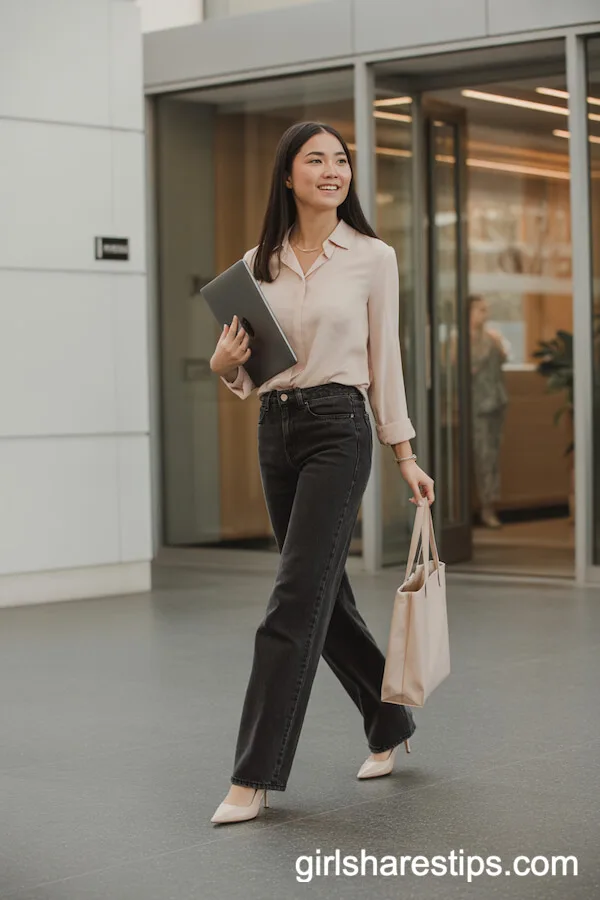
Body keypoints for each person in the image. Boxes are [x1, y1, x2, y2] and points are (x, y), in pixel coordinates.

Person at [208, 121, 435, 825]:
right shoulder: (258, 263)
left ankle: (253, 775)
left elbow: (385, 362)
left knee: (292, 596)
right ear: (288, 175)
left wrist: (403, 452)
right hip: (276, 429)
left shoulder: (373, 257)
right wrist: (226, 370)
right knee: (322, 597)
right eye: (318, 160)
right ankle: (390, 719)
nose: (333, 170)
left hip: (340, 430)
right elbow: (257, 368)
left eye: (341, 161)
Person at [469, 294, 509, 529]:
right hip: (476, 407)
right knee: (482, 457)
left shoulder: (492, 338)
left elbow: (502, 361)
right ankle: (484, 508)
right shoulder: (461, 340)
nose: (486, 315)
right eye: (481, 310)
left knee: (492, 456)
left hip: (496, 403)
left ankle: (489, 505)